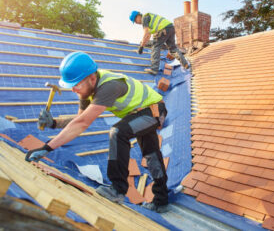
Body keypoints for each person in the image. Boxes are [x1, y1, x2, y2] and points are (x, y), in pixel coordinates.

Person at [25, 51, 169, 213]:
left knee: (118, 132)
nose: (73, 90)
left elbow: (82, 124)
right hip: (140, 113)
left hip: (154, 110)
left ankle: (117, 189)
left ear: (92, 78)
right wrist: (54, 123)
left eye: (76, 84)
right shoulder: (86, 88)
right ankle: (161, 200)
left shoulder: (109, 86)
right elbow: (79, 119)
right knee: (151, 155)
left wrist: (47, 148)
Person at [129, 10, 188, 75]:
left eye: (135, 21)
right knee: (173, 49)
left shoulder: (144, 18)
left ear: (138, 16)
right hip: (170, 28)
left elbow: (146, 33)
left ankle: (154, 69)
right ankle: (185, 64)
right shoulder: (149, 17)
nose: (136, 23)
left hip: (162, 29)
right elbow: (148, 35)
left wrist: (141, 47)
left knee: (155, 47)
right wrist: (143, 44)